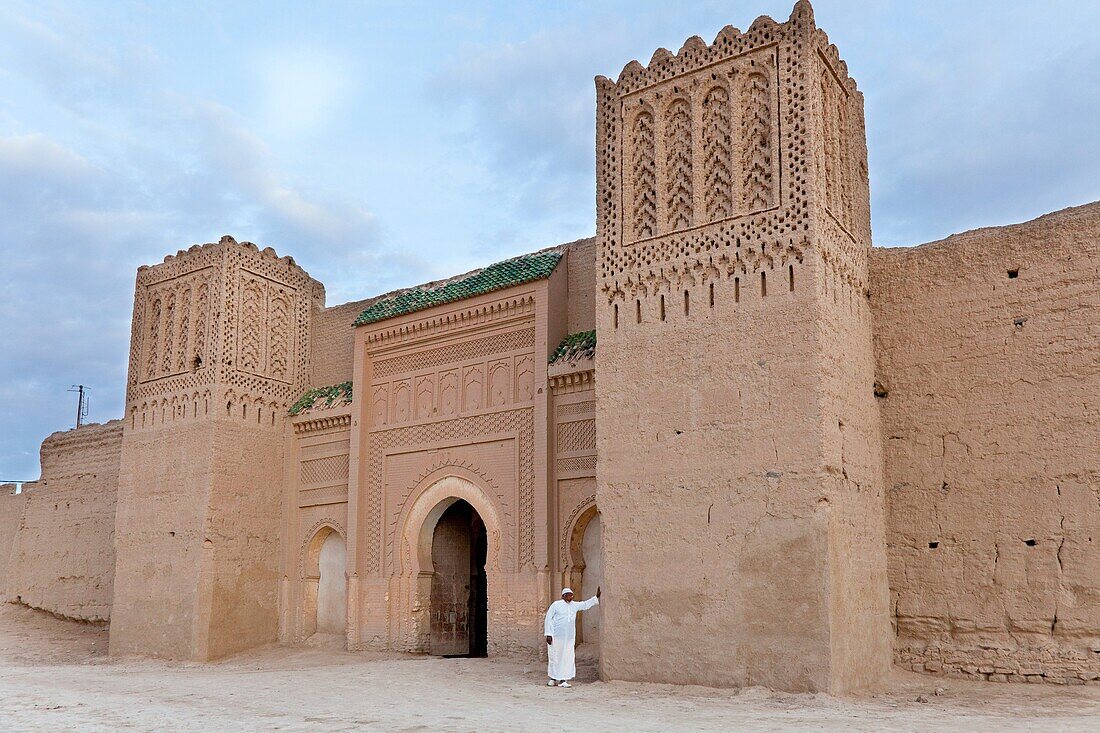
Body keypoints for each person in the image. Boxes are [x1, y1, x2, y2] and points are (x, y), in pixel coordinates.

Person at [544, 586, 600, 688]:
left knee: (566, 658)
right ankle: (553, 678)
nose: (571, 597)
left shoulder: (574, 605)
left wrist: (596, 597)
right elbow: (548, 618)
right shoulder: (556, 605)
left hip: (569, 638)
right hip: (556, 637)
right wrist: (548, 634)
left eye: (571, 595)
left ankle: (563, 680)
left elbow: (585, 604)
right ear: (563, 596)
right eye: (569, 595)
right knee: (555, 657)